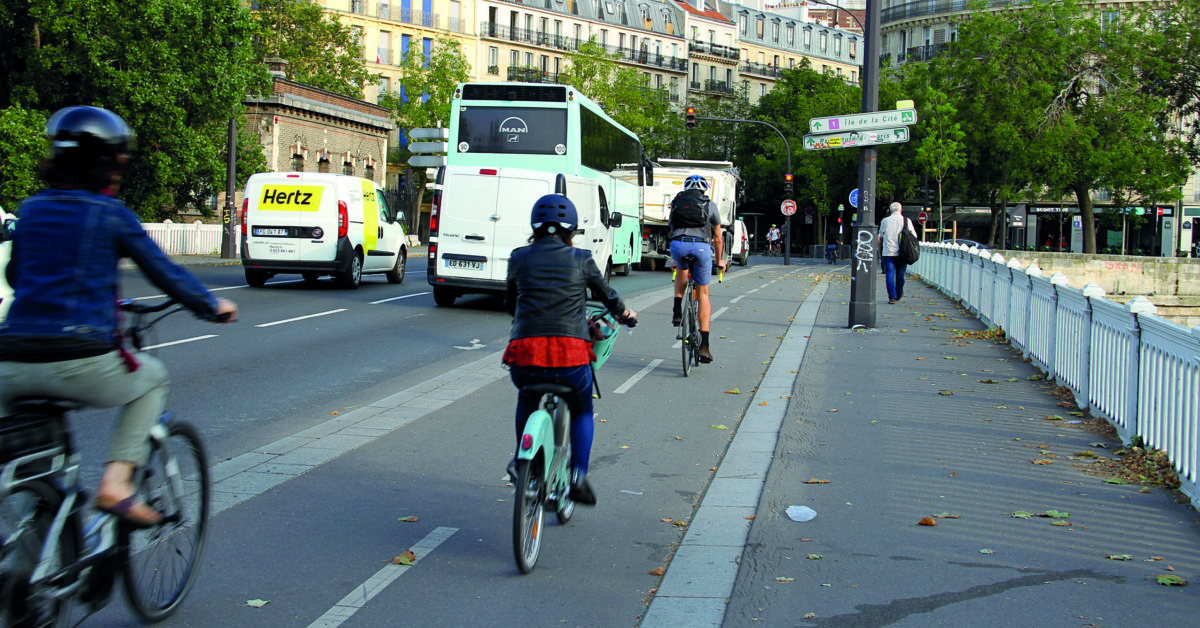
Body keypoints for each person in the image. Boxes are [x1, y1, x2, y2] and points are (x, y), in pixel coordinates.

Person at [0, 106, 238, 528]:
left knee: (21, 456)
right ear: (109, 163)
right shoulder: (109, 213)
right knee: (152, 379)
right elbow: (164, 272)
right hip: (80, 357)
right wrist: (211, 305)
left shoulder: (31, 209)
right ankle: (116, 483)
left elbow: (17, 274)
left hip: (11, 360)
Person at [504, 194, 636, 506]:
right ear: (571, 231)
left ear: (535, 228)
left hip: (526, 354)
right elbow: (608, 297)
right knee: (581, 409)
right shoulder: (582, 259)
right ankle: (578, 475)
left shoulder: (518, 257)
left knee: (527, 395)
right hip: (570, 357)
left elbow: (511, 304)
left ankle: (521, 460)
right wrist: (625, 315)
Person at [668, 175, 725, 363]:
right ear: (704, 190)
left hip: (678, 246)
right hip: (701, 248)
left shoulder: (676, 203)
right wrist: (720, 261)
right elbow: (717, 238)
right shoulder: (710, 205)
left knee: (682, 269)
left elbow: (671, 231)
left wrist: (674, 258)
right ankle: (705, 346)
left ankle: (677, 309)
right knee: (703, 294)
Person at [878, 201, 917, 304]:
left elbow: (880, 236)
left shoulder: (885, 221)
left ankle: (892, 297)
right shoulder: (906, 220)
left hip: (888, 252)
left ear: (890, 210)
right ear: (901, 210)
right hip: (902, 252)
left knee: (889, 274)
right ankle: (899, 293)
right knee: (900, 275)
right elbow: (914, 236)